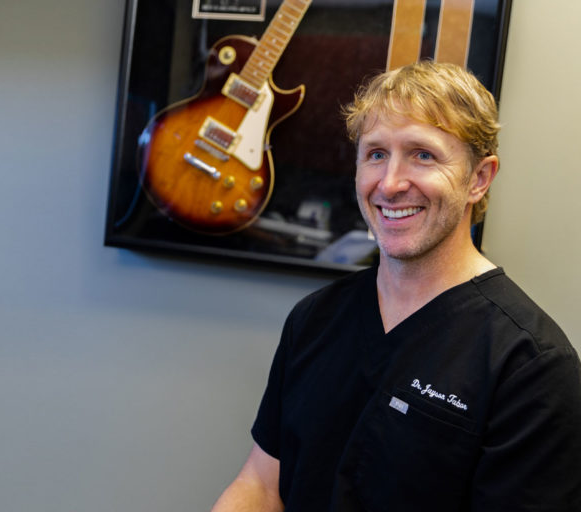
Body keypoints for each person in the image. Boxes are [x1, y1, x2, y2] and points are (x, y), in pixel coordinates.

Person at [211, 60, 581, 512]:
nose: (389, 184)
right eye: (376, 154)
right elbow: (261, 486)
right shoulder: (314, 319)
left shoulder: (529, 364)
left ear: (479, 179)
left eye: (423, 155)